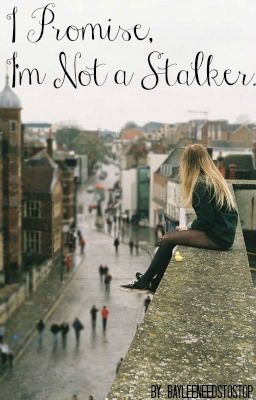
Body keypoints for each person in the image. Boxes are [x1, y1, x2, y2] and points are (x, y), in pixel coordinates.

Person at [121, 144, 238, 292]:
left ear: (188, 163)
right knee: (169, 238)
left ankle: (145, 281)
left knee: (168, 238)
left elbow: (205, 221)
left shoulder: (200, 184)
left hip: (218, 237)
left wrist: (187, 228)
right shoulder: (212, 179)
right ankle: (153, 282)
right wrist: (186, 230)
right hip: (224, 233)